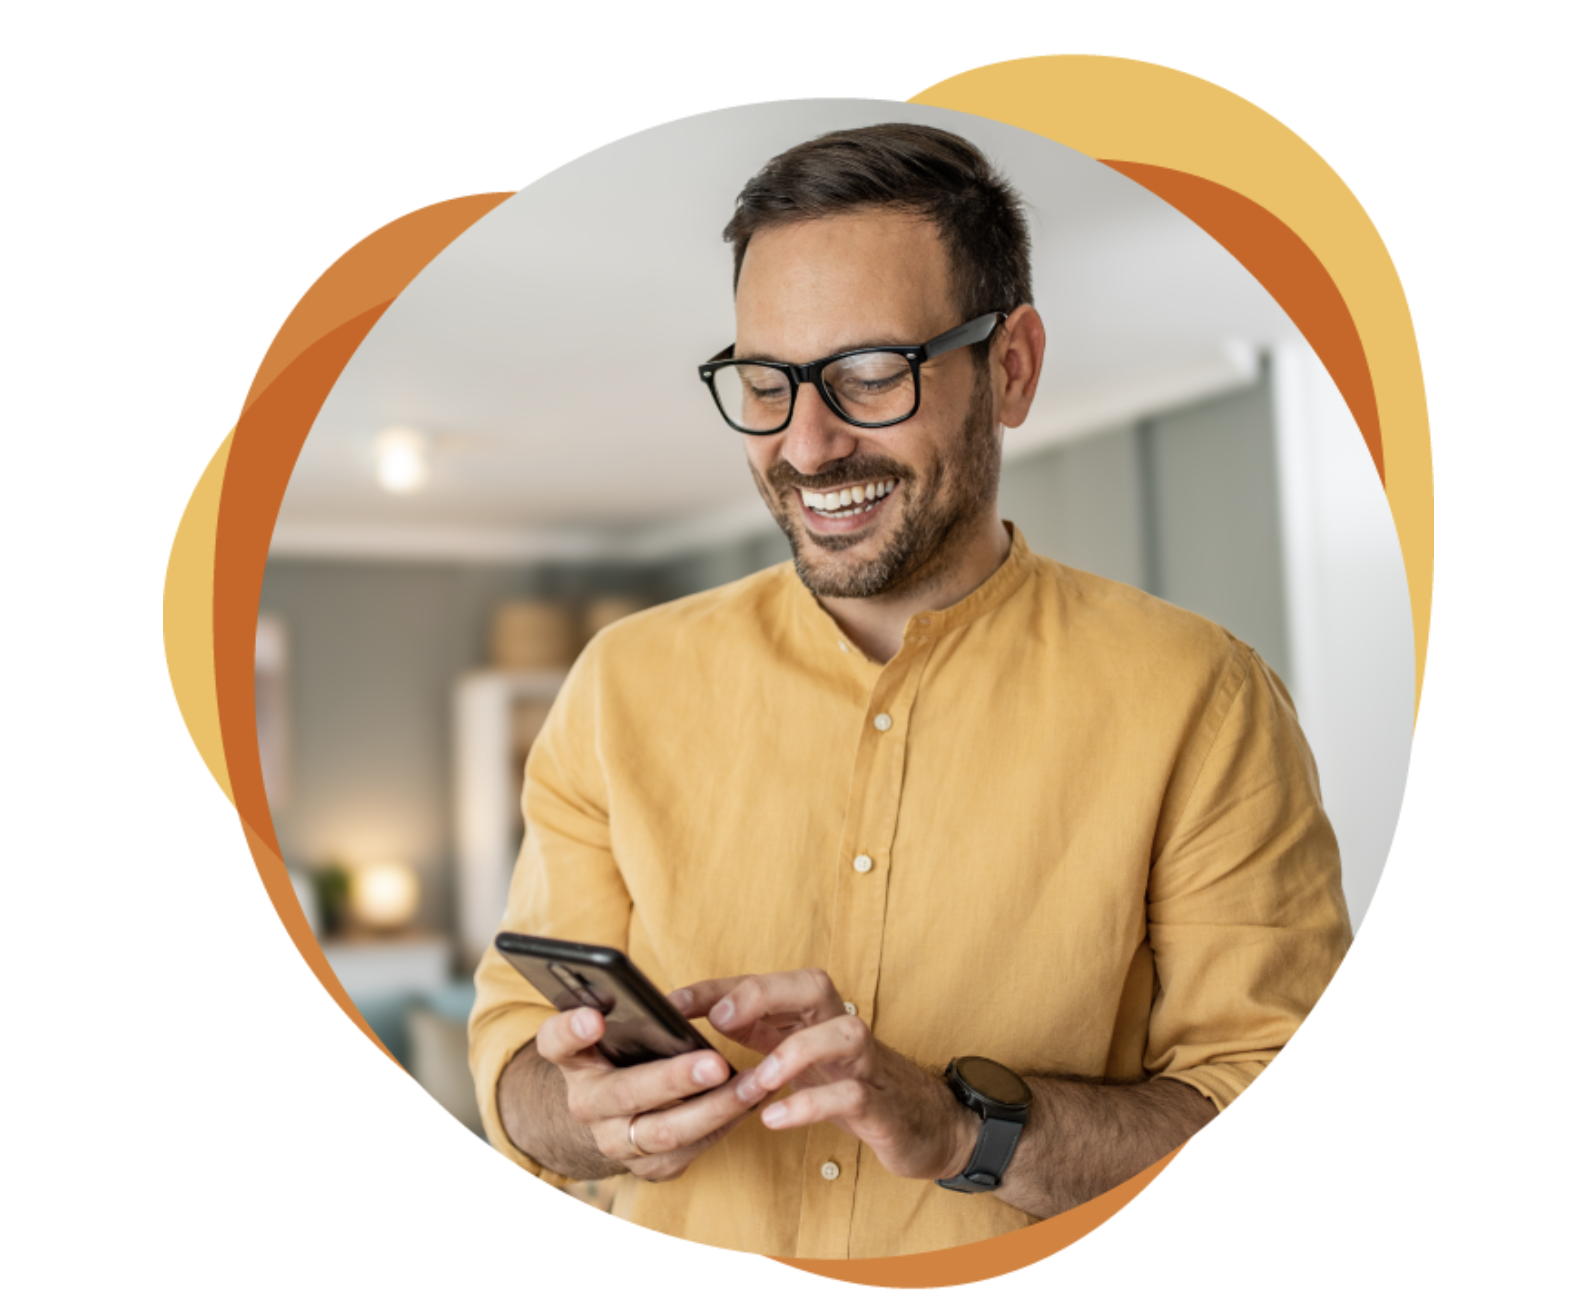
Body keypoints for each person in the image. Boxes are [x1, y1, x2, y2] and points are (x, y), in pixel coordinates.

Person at [468, 123, 1352, 1259]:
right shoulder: (619, 685)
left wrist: (957, 1128)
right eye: (765, 383)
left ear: (1012, 367)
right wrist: (588, 1113)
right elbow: (512, 1056)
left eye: (871, 374)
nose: (807, 445)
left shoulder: (1203, 701)